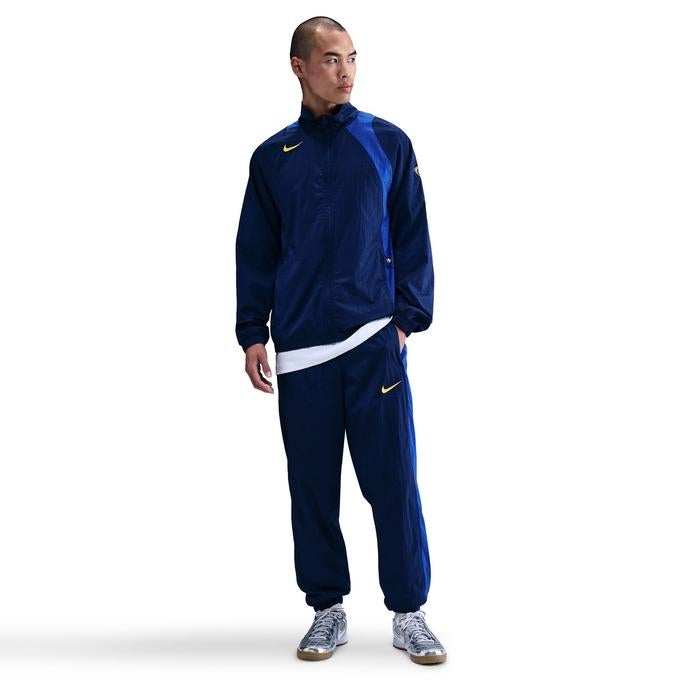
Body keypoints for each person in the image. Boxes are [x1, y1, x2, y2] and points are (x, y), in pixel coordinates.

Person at [235, 16, 447, 665]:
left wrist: (406, 319)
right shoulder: (272, 159)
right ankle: (327, 609)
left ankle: (409, 612)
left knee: (393, 483)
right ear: (299, 66)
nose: (346, 71)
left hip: (374, 341)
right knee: (312, 490)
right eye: (330, 59)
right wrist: (252, 331)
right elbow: (256, 250)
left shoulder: (387, 141)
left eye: (352, 57)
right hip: (302, 352)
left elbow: (412, 234)